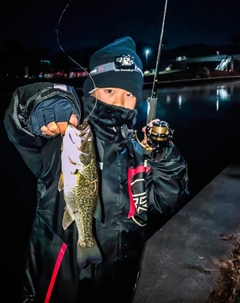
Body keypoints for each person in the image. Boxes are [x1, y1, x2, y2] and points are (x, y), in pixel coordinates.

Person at [4, 36, 189, 303]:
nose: (119, 102)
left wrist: (164, 155)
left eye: (129, 95)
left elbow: (165, 201)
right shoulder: (62, 140)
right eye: (110, 91)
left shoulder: (138, 153)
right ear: (91, 92)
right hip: (58, 285)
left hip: (118, 282)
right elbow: (20, 129)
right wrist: (42, 107)